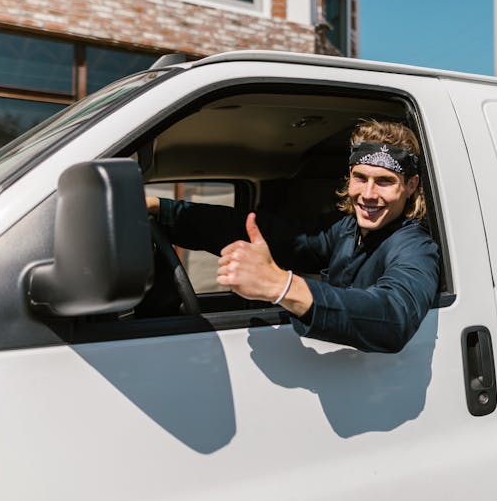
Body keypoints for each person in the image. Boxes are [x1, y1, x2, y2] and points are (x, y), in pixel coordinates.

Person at [147, 120, 440, 353]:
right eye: (360, 178)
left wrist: (281, 285)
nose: (368, 194)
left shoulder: (415, 246)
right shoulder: (346, 229)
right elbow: (278, 236)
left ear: (411, 185)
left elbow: (394, 316)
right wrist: (166, 211)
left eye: (385, 182)